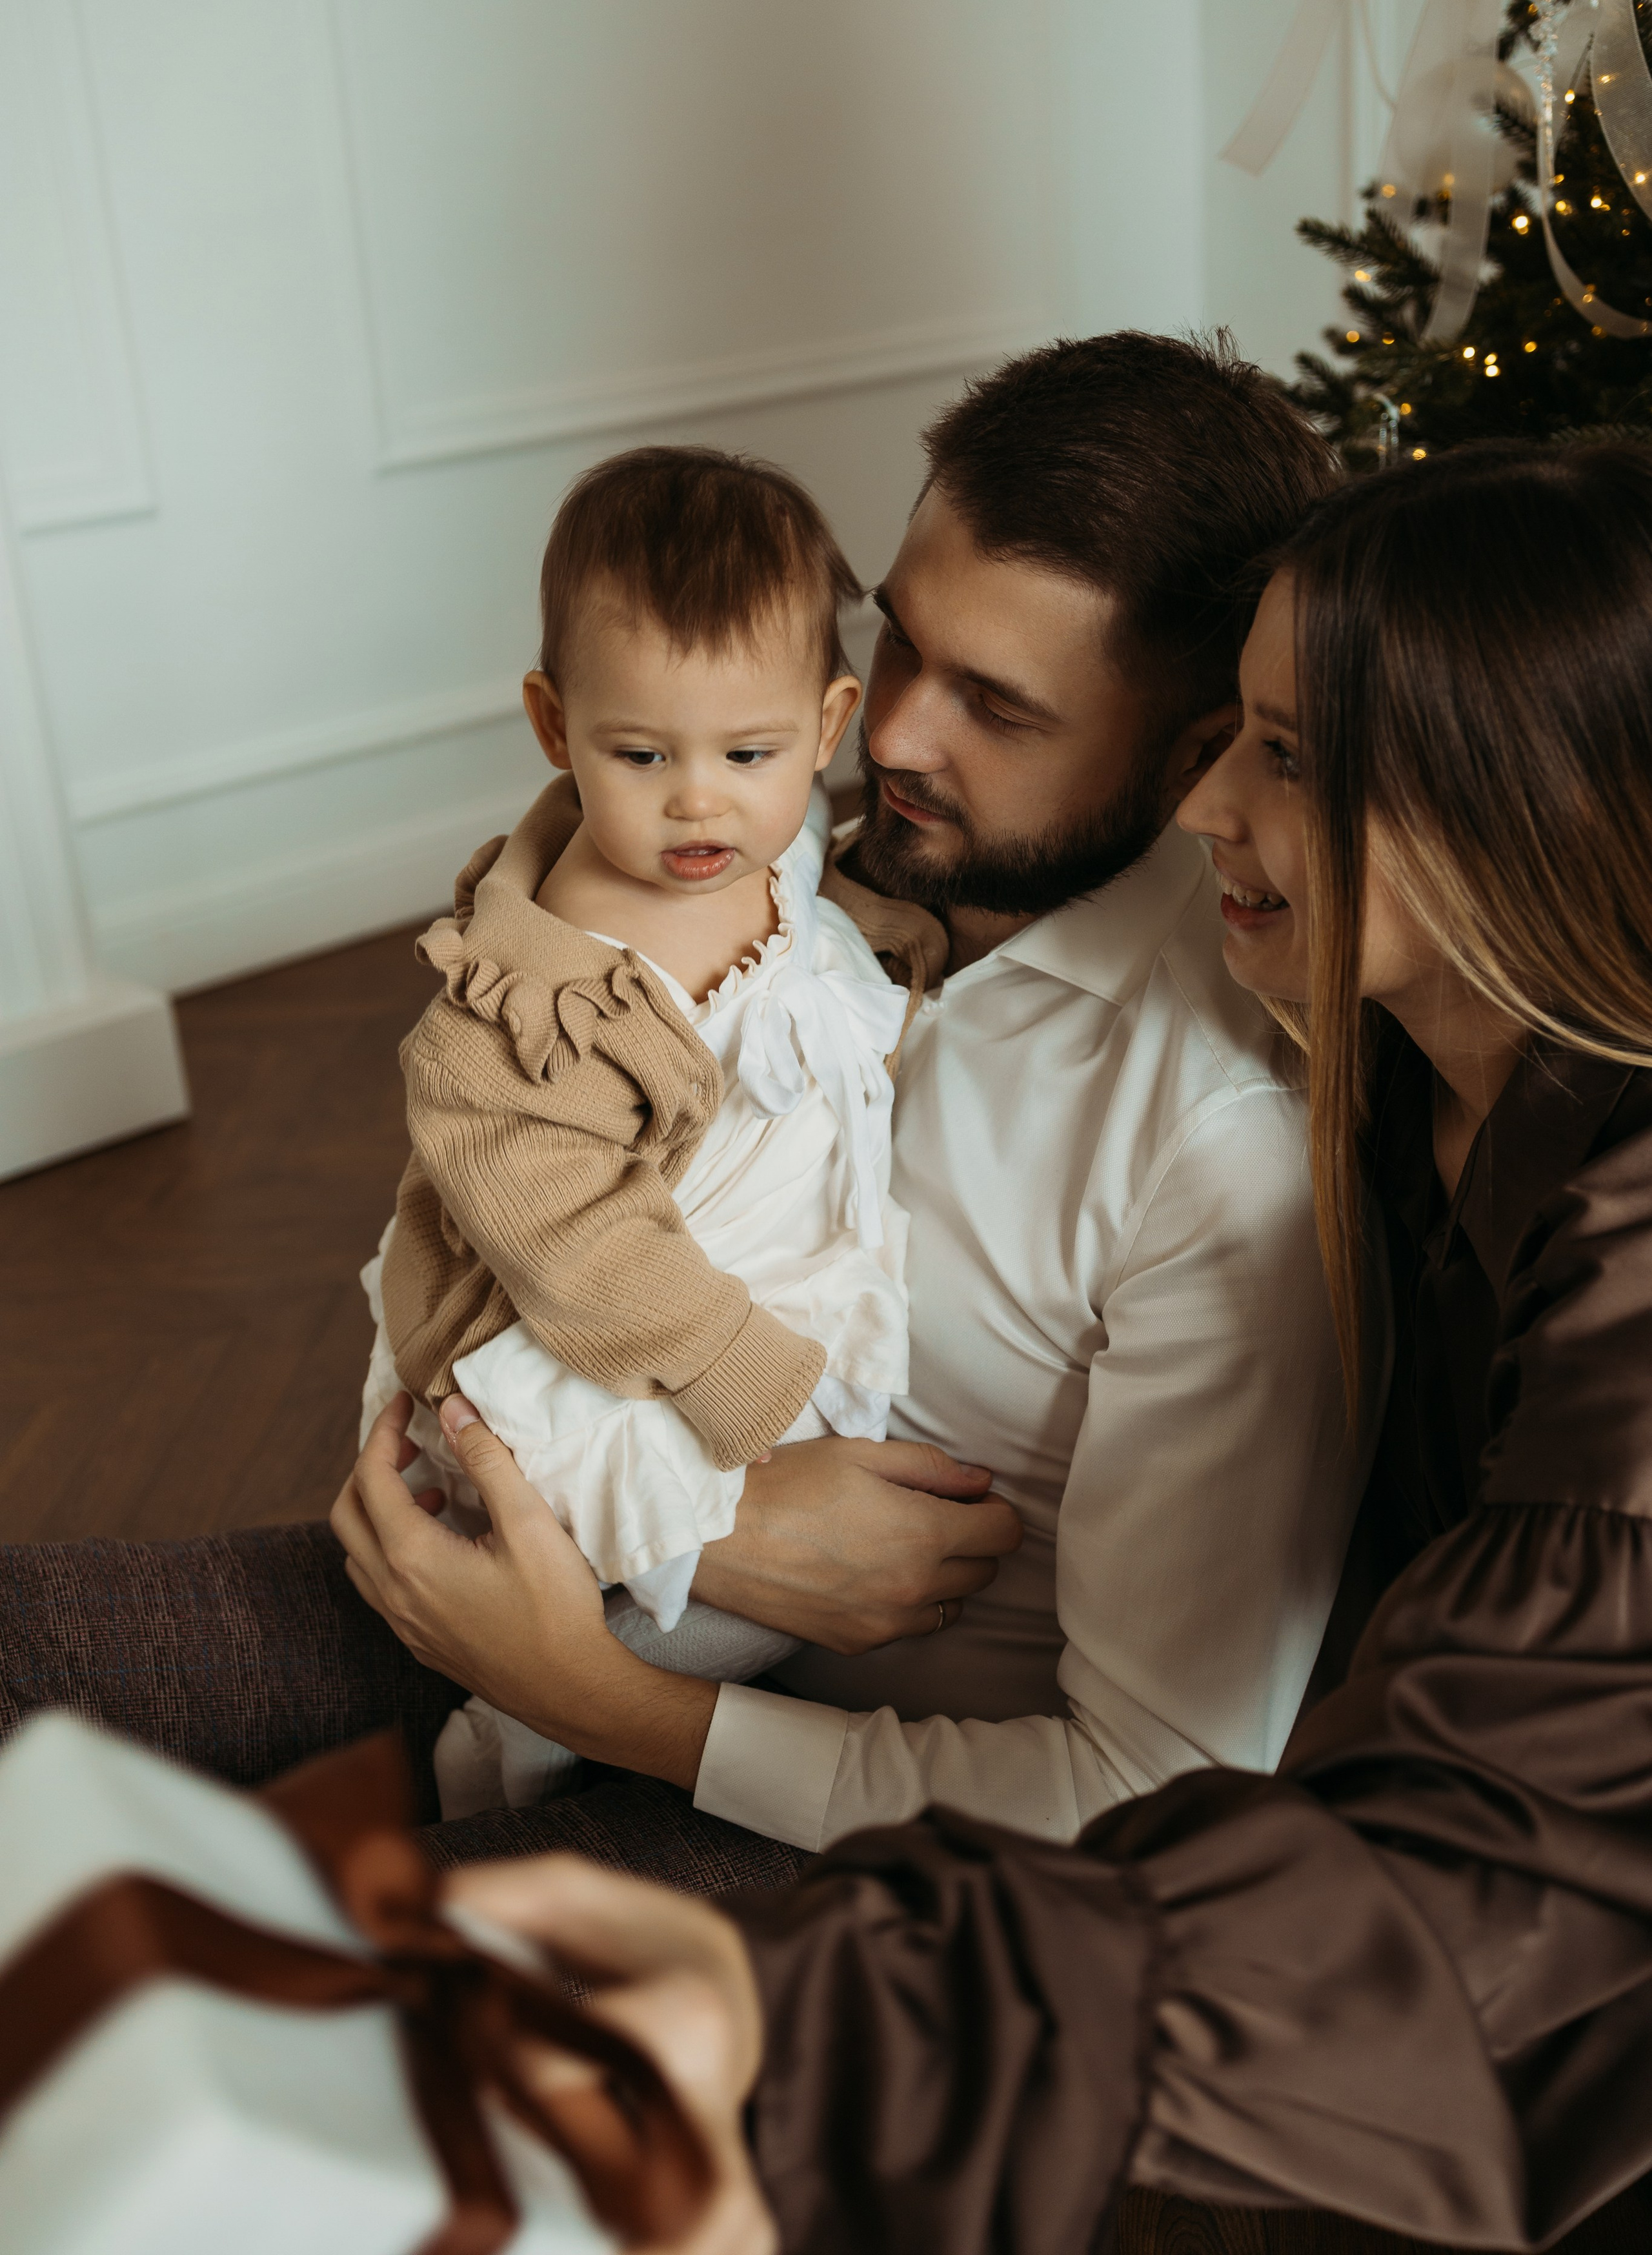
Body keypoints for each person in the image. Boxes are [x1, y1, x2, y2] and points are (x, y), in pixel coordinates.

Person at [488, 437, 1652, 2255]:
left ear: (1523, 805)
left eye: (1283, 754)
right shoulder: (1389, 1090)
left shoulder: (1606, 1252)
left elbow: (1449, 1879)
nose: (1206, 819)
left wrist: (778, 2014)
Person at [332, 332, 1360, 1852]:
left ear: (1195, 750)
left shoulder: (1213, 1143)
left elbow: (1157, 1795)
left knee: (316, 2030)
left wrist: (604, 1702)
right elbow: (513, 1171)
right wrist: (628, 1528)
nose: (883, 736)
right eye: (898, 643)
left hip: (824, 1818)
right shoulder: (768, 848)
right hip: (491, 1544)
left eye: (996, 709)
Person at [359, 447, 933, 1816]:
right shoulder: (536, 998)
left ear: (827, 721)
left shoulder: (771, 841)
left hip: (729, 1262)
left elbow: (805, 934)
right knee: (683, 1600)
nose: (697, 802)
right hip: (586, 1341)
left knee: (793, 1602)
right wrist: (732, 1369)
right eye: (639, 754)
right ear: (555, 727)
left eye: (748, 753)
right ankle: (517, 1750)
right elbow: (567, 1235)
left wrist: (879, 949)